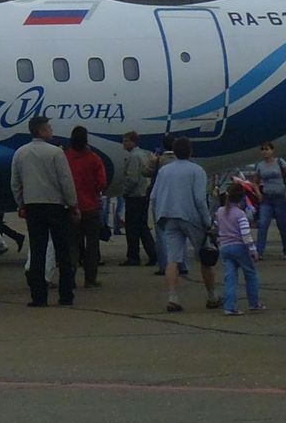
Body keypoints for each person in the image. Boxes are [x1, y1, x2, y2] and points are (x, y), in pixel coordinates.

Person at [10, 115, 79, 307]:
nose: (52, 130)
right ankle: (66, 295)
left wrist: (21, 204)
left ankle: (38, 297)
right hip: (55, 206)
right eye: (48, 127)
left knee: (38, 251)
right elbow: (66, 181)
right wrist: (73, 204)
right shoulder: (56, 153)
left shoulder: (20, 153)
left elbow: (15, 183)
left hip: (33, 206)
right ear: (40, 131)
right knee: (62, 252)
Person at [148, 137, 211, 312]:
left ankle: (173, 296)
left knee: (172, 259)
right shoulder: (197, 171)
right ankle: (212, 295)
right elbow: (199, 199)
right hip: (190, 217)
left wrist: (160, 215)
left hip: (168, 217)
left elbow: (153, 196)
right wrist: (207, 221)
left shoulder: (164, 171)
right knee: (204, 257)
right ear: (190, 151)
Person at [63, 127, 109, 289]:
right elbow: (102, 182)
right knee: (92, 245)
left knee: (72, 245)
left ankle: (70, 277)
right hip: (91, 206)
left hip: (71, 206)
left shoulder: (66, 157)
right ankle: (90, 278)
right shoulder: (94, 158)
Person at [214, 185, 261, 314]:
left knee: (230, 278)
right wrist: (253, 250)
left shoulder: (220, 211)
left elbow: (217, 228)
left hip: (225, 247)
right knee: (250, 274)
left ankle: (229, 306)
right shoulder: (240, 214)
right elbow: (245, 234)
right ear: (242, 198)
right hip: (239, 247)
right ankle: (254, 302)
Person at [117, 132, 157, 267]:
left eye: (126, 141)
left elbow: (132, 178)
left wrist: (124, 191)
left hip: (135, 196)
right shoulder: (143, 154)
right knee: (142, 226)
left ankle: (133, 256)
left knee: (132, 228)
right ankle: (153, 253)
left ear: (133, 142)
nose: (124, 143)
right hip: (143, 194)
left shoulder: (134, 157)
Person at [253, 143, 286, 260]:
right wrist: (258, 192)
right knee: (263, 224)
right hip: (267, 198)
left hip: (280, 197)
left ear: (272, 150)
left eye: (267, 149)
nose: (265, 152)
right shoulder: (260, 165)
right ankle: (260, 252)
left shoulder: (280, 162)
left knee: (282, 225)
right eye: (262, 150)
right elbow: (255, 181)